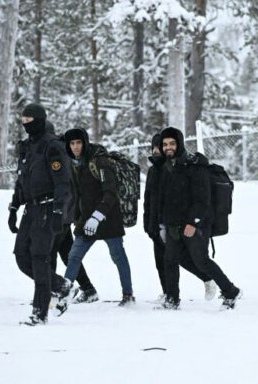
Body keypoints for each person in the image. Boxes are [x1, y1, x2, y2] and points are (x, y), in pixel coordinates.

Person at [9, 122, 98, 304]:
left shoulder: (56, 154)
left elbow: (66, 188)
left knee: (48, 254)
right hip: (63, 213)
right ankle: (85, 289)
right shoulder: (50, 154)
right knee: (64, 253)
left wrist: (63, 213)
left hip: (58, 212)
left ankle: (56, 290)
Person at [157, 127, 241, 310]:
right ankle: (172, 299)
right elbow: (164, 200)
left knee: (201, 260)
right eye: (165, 144)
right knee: (170, 260)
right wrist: (162, 224)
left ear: (179, 144)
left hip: (195, 224)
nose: (168, 147)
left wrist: (192, 222)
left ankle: (230, 291)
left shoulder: (195, 166)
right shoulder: (166, 167)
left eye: (172, 143)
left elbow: (203, 199)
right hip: (173, 224)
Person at [55, 128, 134, 314]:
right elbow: (77, 194)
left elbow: (110, 193)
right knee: (73, 256)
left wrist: (97, 217)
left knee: (118, 256)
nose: (75, 147)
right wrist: (78, 218)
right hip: (85, 220)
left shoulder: (100, 161)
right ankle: (65, 296)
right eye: (72, 143)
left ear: (85, 142)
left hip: (108, 218)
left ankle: (128, 295)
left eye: (79, 143)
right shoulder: (73, 163)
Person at [11, 104, 72, 326]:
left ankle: (40, 312)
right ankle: (60, 286)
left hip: (48, 207)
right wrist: (13, 207)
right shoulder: (27, 147)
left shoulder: (52, 146)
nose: (25, 123)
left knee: (39, 257)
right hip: (30, 208)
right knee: (21, 255)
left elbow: (63, 182)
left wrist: (58, 211)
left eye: (29, 119)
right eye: (23, 119)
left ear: (38, 119)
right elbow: (22, 179)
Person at [143, 133, 216, 302]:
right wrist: (148, 223)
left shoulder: (171, 168)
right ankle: (167, 293)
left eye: (158, 147)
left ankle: (204, 280)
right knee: (161, 262)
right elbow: (149, 200)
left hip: (170, 223)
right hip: (156, 224)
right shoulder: (154, 169)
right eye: (153, 148)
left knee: (178, 259)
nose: (156, 151)